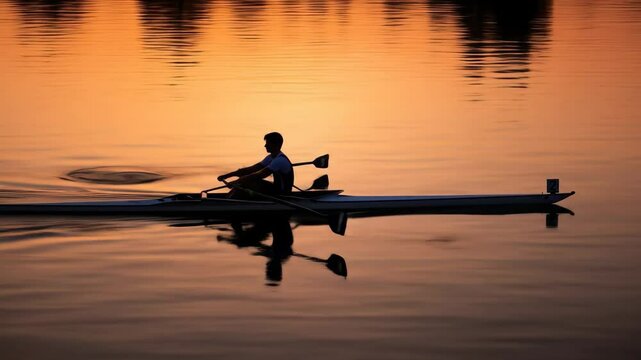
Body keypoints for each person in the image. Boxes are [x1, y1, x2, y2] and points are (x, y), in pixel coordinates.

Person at [217, 132, 294, 197]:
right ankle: (229, 200)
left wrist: (238, 181)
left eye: (268, 143)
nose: (265, 145)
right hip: (276, 189)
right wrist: (227, 176)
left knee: (249, 181)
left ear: (276, 145)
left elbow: (260, 175)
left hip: (283, 195)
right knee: (247, 181)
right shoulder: (270, 158)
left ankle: (227, 202)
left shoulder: (280, 161)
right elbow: (250, 170)